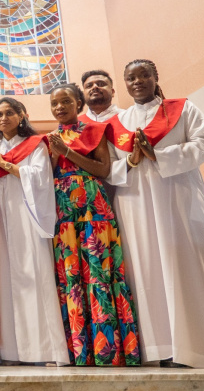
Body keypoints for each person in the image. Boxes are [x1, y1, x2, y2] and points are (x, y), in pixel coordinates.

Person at [104, 59, 204, 368]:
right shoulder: (119, 122)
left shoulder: (182, 108)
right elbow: (109, 167)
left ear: (155, 77)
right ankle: (158, 347)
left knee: (183, 265)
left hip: (177, 197)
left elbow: (203, 143)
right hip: (134, 203)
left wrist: (159, 155)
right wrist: (133, 161)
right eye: (130, 78)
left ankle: (193, 347)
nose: (137, 81)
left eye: (143, 75)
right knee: (145, 270)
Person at [46, 84, 140, 366]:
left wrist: (67, 152)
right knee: (72, 279)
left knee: (99, 276)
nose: (60, 107)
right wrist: (52, 156)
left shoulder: (94, 130)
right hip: (63, 210)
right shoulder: (48, 138)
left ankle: (108, 352)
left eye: (66, 101)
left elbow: (104, 170)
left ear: (78, 103)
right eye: (55, 103)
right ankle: (79, 351)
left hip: (93, 209)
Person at [0, 98, 68, 366]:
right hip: (2, 215)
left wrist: (2, 163)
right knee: (7, 278)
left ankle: (44, 350)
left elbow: (41, 177)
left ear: (22, 116)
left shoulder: (35, 144)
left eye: (9, 113)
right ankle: (13, 351)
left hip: (27, 213)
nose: (3, 117)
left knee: (34, 274)